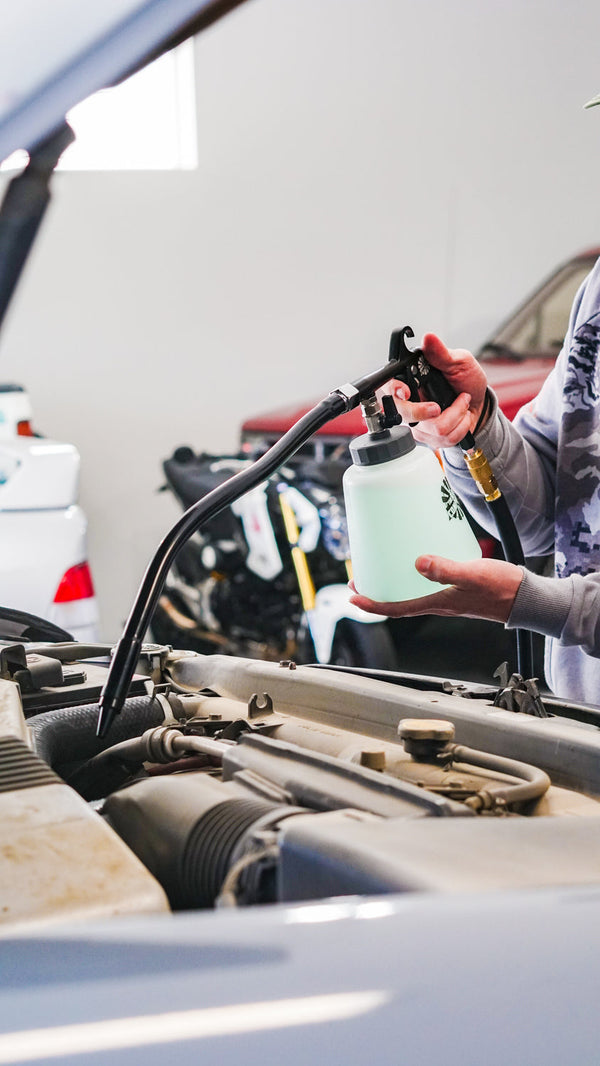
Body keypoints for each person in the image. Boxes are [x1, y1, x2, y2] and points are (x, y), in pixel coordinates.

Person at [348, 256, 600, 705]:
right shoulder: (597, 288)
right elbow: (548, 518)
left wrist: (530, 602)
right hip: (581, 713)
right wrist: (474, 425)